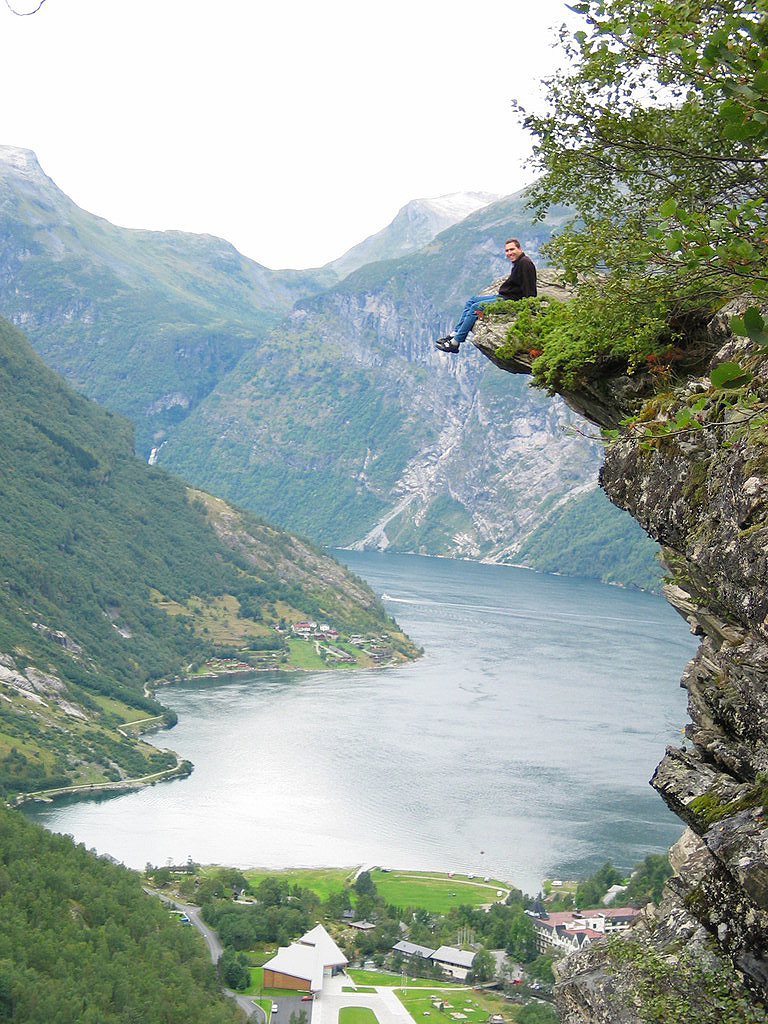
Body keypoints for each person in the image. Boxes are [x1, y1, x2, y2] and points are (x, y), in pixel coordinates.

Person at [434, 238, 537, 353]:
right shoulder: (519, 263)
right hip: (504, 297)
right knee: (471, 301)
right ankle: (455, 333)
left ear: (519, 249)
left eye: (512, 249)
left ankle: (455, 342)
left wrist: (527, 311)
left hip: (511, 301)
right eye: (507, 251)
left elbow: (530, 290)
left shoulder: (525, 263)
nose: (509, 253)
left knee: (475, 308)